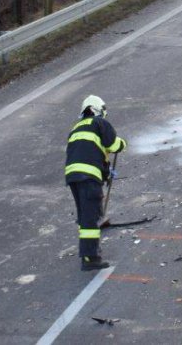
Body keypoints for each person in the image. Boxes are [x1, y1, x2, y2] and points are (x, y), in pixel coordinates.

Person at [65, 95, 127, 270]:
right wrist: (123, 144)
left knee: (85, 213)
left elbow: (92, 150)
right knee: (89, 217)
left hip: (73, 176)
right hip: (88, 175)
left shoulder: (76, 128)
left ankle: (87, 249)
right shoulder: (100, 123)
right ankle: (90, 258)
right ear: (99, 110)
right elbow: (113, 145)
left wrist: (105, 170)